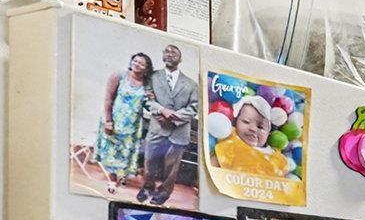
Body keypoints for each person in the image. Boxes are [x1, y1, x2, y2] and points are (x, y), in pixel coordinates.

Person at [136, 44, 199, 205]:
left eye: (174, 52)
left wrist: (173, 117)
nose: (170, 54)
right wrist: (162, 111)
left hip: (178, 131)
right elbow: (147, 99)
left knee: (172, 167)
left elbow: (194, 107)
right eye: (167, 51)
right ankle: (148, 187)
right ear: (163, 56)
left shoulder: (191, 84)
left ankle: (164, 192)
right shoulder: (152, 77)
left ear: (181, 58)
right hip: (157, 126)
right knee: (149, 161)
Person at [97, 52, 153, 195]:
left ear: (146, 69)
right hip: (116, 121)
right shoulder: (119, 76)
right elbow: (108, 99)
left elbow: (147, 106)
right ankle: (112, 180)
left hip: (133, 125)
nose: (137, 64)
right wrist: (108, 121)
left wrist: (152, 100)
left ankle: (121, 176)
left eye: (141, 63)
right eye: (135, 61)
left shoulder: (146, 86)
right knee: (112, 152)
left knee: (127, 152)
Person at [213, 94, 289, 180]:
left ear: (269, 134)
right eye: (246, 121)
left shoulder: (278, 160)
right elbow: (211, 168)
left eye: (260, 127)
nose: (253, 129)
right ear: (235, 123)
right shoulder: (231, 144)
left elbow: (286, 184)